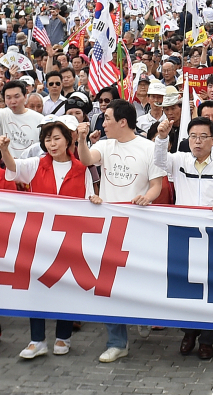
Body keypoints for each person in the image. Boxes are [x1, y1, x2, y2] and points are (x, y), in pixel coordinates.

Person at [76, 99, 166, 364]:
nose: (103, 124)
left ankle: (142, 315)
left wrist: (146, 198)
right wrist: (82, 140)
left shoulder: (149, 148)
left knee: (139, 278)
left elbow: (156, 185)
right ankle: (117, 342)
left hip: (139, 225)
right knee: (108, 283)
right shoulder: (103, 145)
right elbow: (86, 160)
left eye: (107, 119)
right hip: (108, 225)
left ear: (123, 121)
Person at [0, 117, 86, 360]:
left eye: (57, 138)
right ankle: (37, 340)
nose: (52, 144)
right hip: (39, 236)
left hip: (70, 238)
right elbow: (14, 169)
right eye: (47, 139)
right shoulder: (36, 164)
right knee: (36, 287)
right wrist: (4, 149)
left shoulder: (82, 169)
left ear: (68, 140)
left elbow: (90, 200)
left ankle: (63, 337)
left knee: (66, 288)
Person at [153, 115, 213, 360]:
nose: (197, 141)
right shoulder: (179, 160)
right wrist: (162, 137)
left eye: (203, 137)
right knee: (187, 287)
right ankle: (189, 333)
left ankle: (208, 340)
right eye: (193, 136)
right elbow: (158, 161)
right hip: (185, 233)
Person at [0, 79, 45, 153]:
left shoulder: (39, 119)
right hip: (7, 163)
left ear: (25, 97)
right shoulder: (1, 114)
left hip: (31, 162)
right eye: (8, 97)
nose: (13, 101)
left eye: (16, 97)